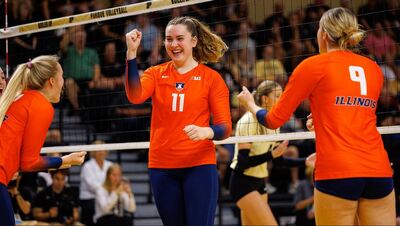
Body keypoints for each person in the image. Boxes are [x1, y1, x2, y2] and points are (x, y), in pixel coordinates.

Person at [237, 7, 395, 225]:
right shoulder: (373, 69)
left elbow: (273, 120)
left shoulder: (313, 66)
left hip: (338, 171)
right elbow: (356, 115)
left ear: (324, 34)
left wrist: (251, 105)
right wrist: (322, 117)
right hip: (378, 170)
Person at [125, 16, 232, 226]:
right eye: (169, 39)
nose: (173, 45)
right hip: (162, 167)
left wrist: (207, 132)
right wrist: (131, 53)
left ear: (193, 41)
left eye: (180, 38)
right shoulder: (156, 73)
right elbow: (135, 96)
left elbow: (225, 127)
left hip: (199, 166)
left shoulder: (212, 78)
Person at [0, 55, 87, 226]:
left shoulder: (20, 97)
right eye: (62, 76)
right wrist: (64, 160)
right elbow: (29, 163)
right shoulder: (40, 105)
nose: (64, 81)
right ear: (52, 81)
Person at [230, 80, 315, 225]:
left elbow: (278, 160)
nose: (280, 100)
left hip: (260, 182)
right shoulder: (248, 121)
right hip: (242, 182)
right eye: (277, 96)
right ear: (264, 99)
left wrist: (305, 161)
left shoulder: (273, 123)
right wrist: (271, 155)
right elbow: (243, 163)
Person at [80, 141, 113, 226]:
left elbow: (113, 182)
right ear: (94, 152)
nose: (101, 152)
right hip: (90, 199)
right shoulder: (87, 166)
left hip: (106, 198)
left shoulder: (110, 165)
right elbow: (93, 185)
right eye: (99, 150)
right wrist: (105, 191)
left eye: (103, 150)